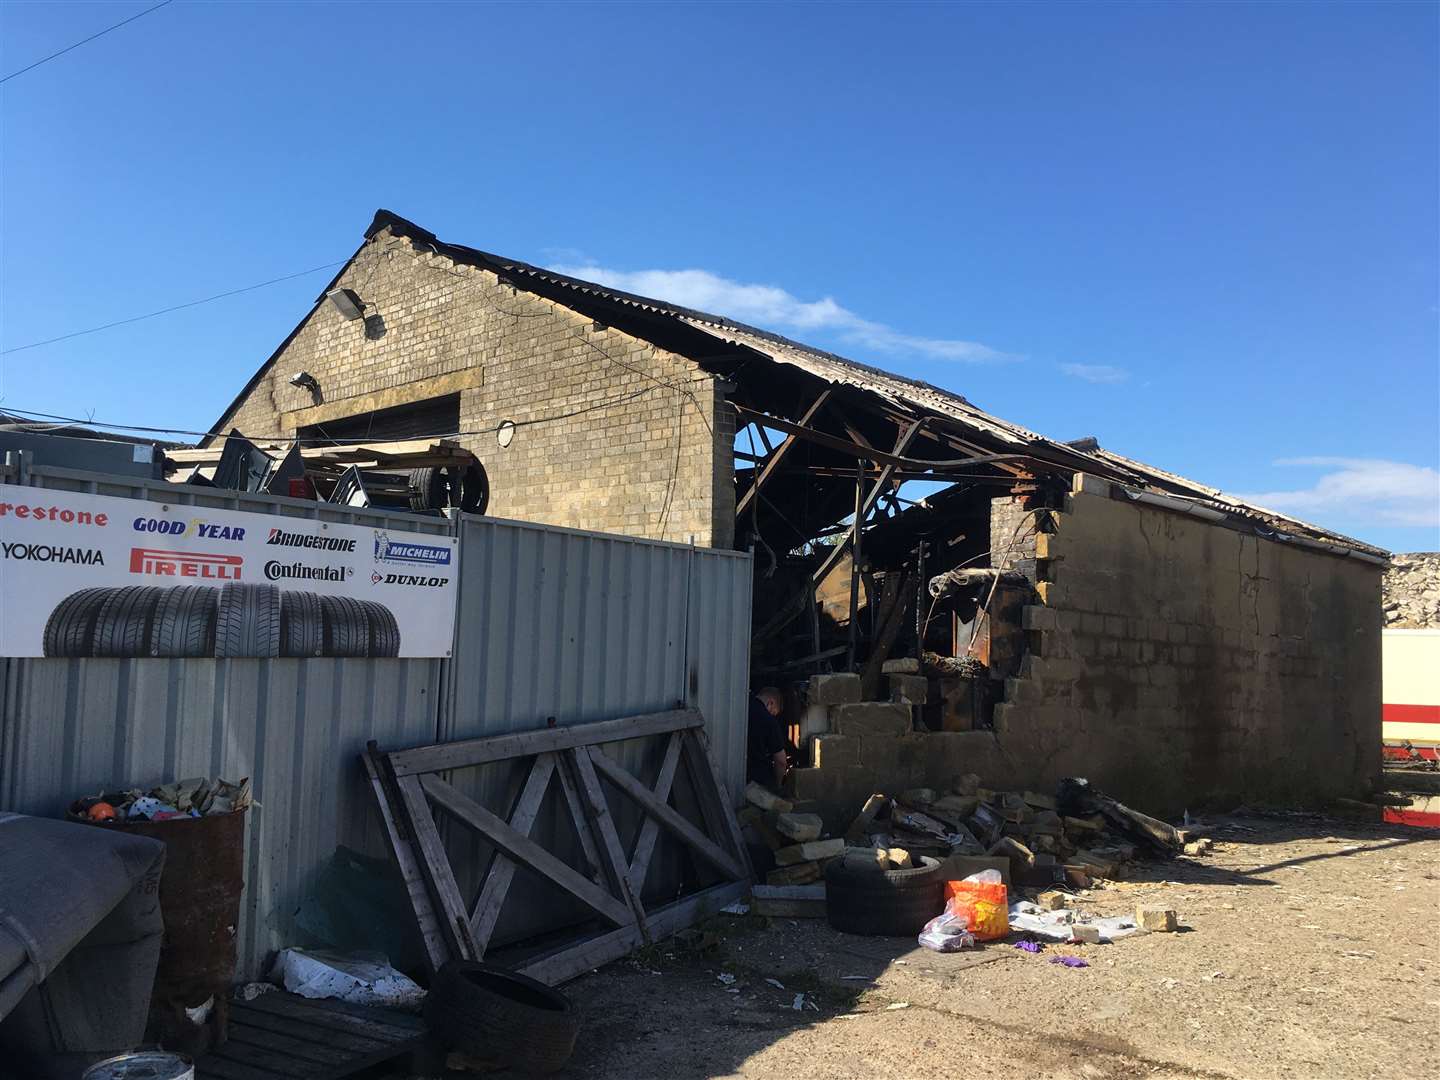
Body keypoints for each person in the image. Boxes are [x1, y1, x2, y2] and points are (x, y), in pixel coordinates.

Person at [747, 686, 788, 789]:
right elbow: (781, 761)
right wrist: (778, 785)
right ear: (771, 703)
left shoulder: (742, 705)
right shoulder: (769, 721)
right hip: (755, 780)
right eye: (773, 713)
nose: (772, 716)